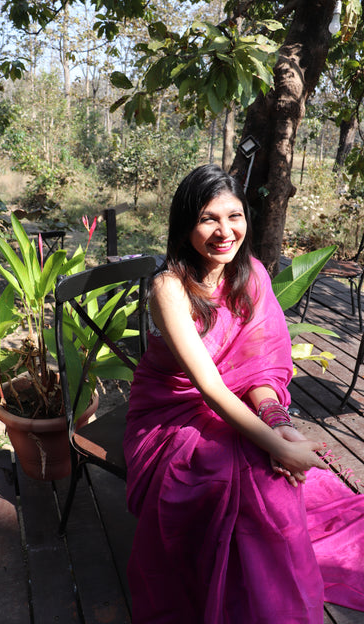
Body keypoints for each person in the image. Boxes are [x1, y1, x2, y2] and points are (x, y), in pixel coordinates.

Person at [123, 164, 364, 623]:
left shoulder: (250, 273)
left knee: (268, 474)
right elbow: (210, 387)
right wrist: (276, 447)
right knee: (251, 474)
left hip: (230, 406)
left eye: (234, 216)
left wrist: (280, 425)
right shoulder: (169, 288)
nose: (224, 231)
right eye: (208, 219)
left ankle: (261, 594)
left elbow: (259, 369)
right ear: (185, 224)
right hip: (170, 417)